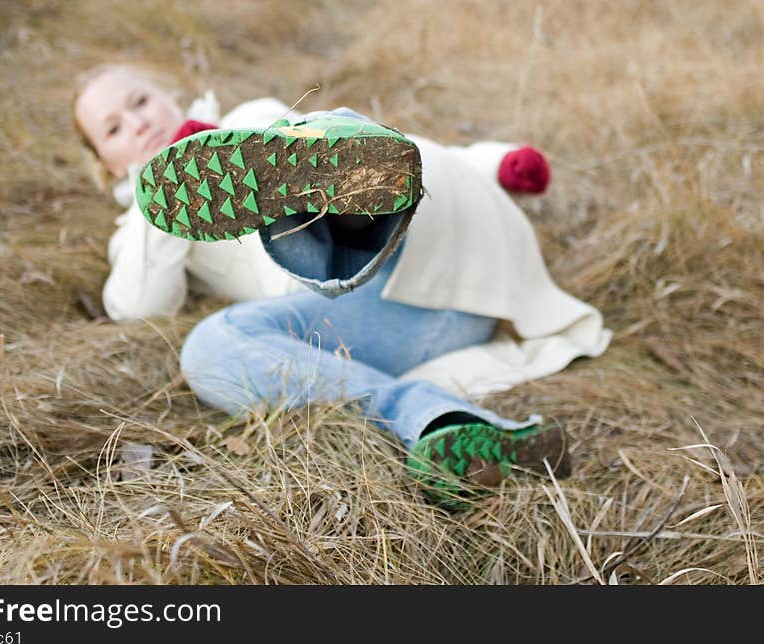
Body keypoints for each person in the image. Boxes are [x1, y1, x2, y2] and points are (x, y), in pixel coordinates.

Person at [73, 65, 611, 509]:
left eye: (140, 101)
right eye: (113, 130)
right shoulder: (136, 236)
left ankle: (341, 191)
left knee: (314, 138)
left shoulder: (249, 116)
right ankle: (441, 423)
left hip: (442, 249)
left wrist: (499, 162)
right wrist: (155, 203)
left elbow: (436, 156)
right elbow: (136, 307)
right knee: (210, 349)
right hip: (397, 317)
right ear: (103, 165)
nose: (137, 124)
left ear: (171, 93)